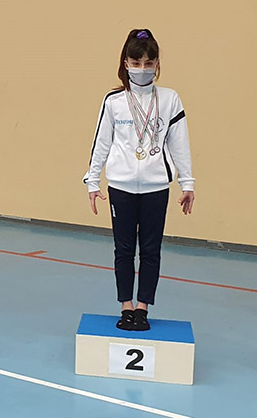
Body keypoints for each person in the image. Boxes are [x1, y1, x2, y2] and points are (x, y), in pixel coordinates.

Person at [84, 29, 195, 331]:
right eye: (136, 63)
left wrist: (187, 184)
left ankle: (143, 307)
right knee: (123, 250)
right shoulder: (114, 101)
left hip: (156, 188)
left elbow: (180, 144)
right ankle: (126, 306)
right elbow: (101, 143)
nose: (142, 69)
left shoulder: (170, 100)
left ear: (157, 64)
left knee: (150, 250)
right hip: (120, 187)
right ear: (126, 63)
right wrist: (92, 181)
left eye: (148, 63)